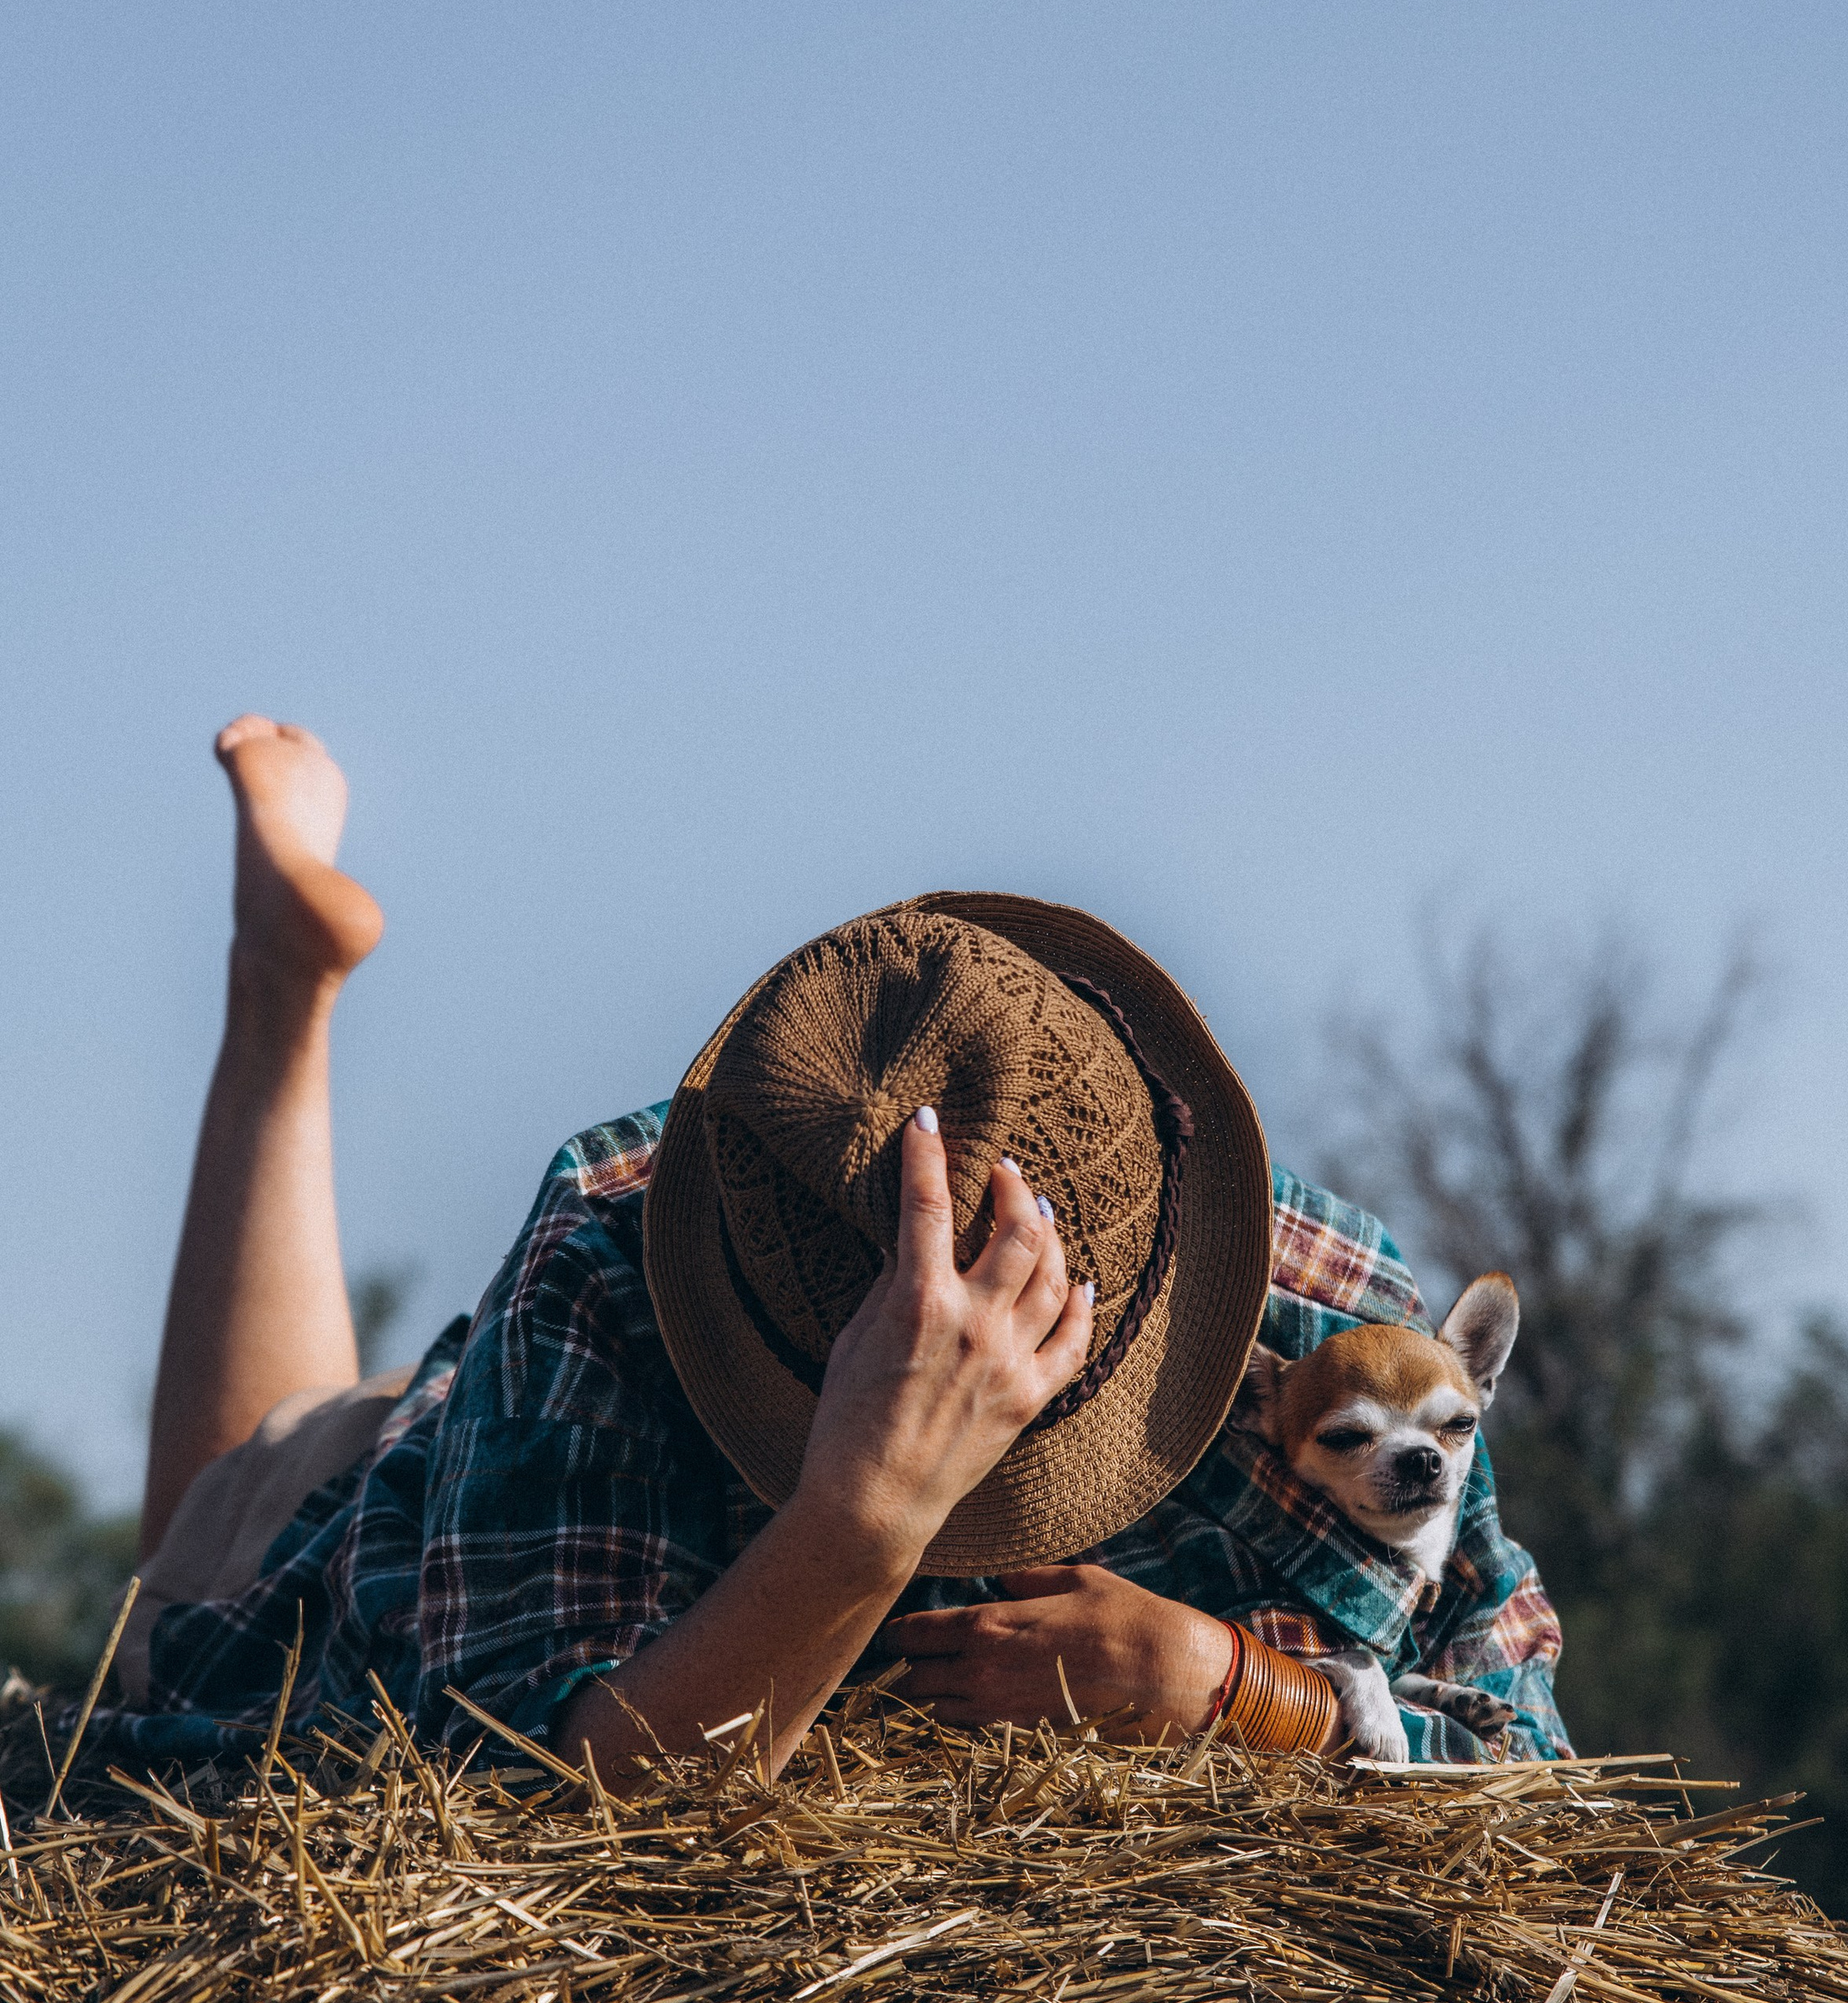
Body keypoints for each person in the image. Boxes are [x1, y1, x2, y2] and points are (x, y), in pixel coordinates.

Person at [110, 718, 1567, 1792]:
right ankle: (277, 1003)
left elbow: (1536, 1756)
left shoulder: (1335, 1317)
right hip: (428, 1499)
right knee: (217, 1535)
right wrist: (861, 1524)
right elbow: (547, 1794)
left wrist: (1239, 1688)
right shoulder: (607, 1261)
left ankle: (280, 990)